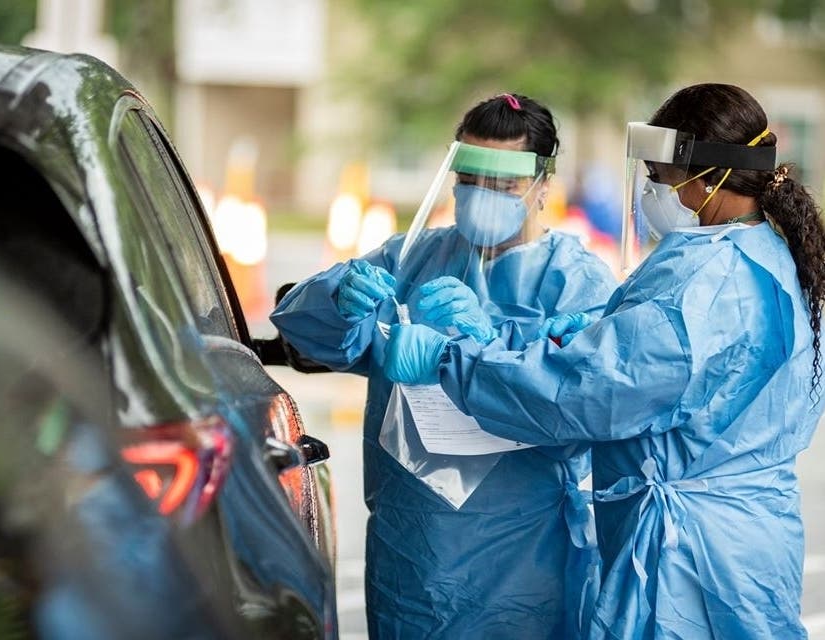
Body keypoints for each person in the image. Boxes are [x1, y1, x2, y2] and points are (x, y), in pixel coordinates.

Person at [383, 83, 825, 639]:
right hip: (750, 537)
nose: (650, 191)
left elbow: (582, 393)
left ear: (706, 180)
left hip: (690, 561)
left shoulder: (702, 284)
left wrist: (452, 360)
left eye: (658, 178)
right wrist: (584, 335)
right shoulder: (766, 256)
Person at [271, 93, 618, 638]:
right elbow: (317, 335)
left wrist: (489, 346)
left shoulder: (577, 283)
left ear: (542, 185)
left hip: (525, 556)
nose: (482, 197)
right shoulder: (412, 258)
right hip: (412, 548)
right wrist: (336, 298)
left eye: (502, 185)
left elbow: (580, 403)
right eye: (469, 181)